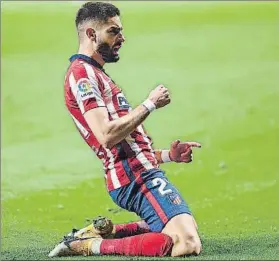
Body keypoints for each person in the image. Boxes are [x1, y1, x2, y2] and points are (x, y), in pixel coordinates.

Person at [49, 1, 202, 258]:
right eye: (113, 31)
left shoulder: (98, 74)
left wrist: (168, 156)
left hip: (140, 171)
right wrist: (150, 103)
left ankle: (99, 233)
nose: (122, 38)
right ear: (90, 34)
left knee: (187, 226)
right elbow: (107, 136)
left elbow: (128, 145)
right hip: (134, 178)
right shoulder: (82, 75)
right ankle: (87, 245)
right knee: (186, 243)